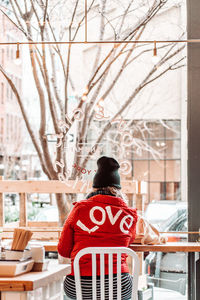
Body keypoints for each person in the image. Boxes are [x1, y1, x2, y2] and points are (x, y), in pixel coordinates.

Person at [58, 156, 138, 300]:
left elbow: (63, 250)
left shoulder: (80, 209)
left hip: (79, 286)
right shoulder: (129, 215)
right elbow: (129, 241)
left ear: (94, 187)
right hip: (119, 286)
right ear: (118, 190)